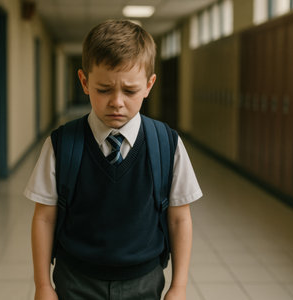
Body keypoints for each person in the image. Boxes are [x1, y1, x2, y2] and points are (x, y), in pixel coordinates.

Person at [24, 19, 202, 300]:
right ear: (84, 82)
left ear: (149, 85)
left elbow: (180, 219)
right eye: (104, 89)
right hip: (76, 281)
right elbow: (44, 218)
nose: (117, 102)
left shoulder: (167, 144)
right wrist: (43, 285)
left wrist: (178, 286)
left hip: (143, 282)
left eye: (130, 91)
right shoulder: (61, 144)